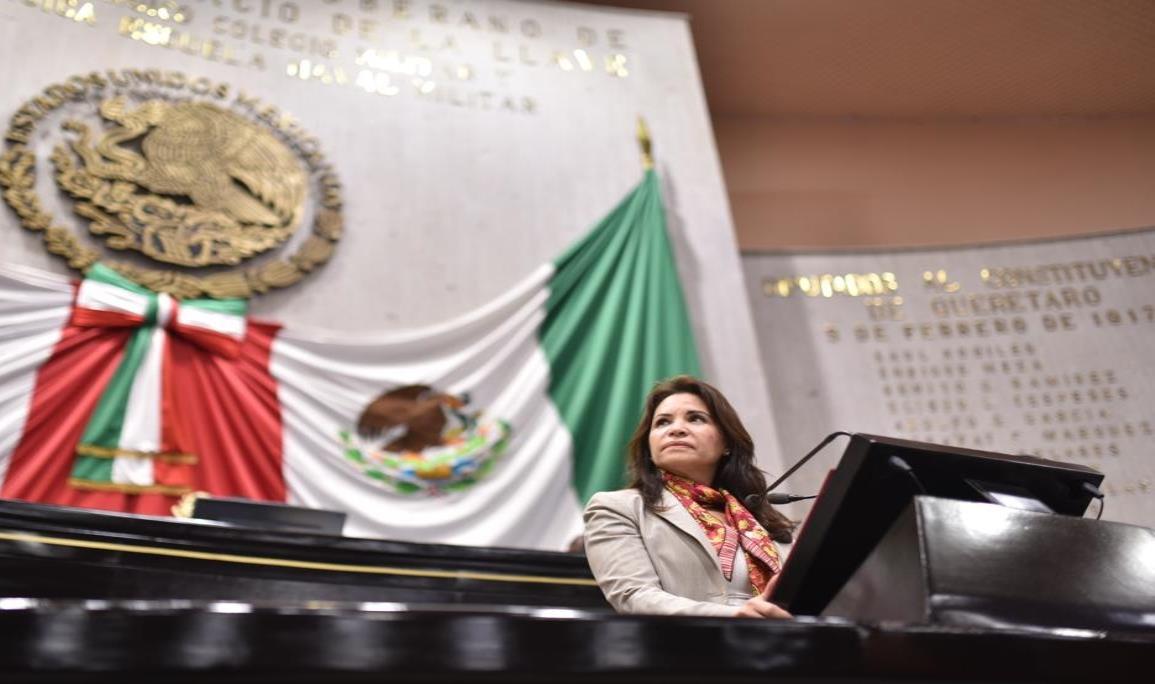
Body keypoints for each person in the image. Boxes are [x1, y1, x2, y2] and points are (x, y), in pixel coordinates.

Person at [583, 375, 795, 618]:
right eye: (662, 422)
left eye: (695, 418)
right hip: (687, 649)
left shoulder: (763, 518)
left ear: (726, 442)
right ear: (649, 448)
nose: (676, 429)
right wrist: (734, 617)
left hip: (782, 648)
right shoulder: (617, 507)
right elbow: (634, 596)